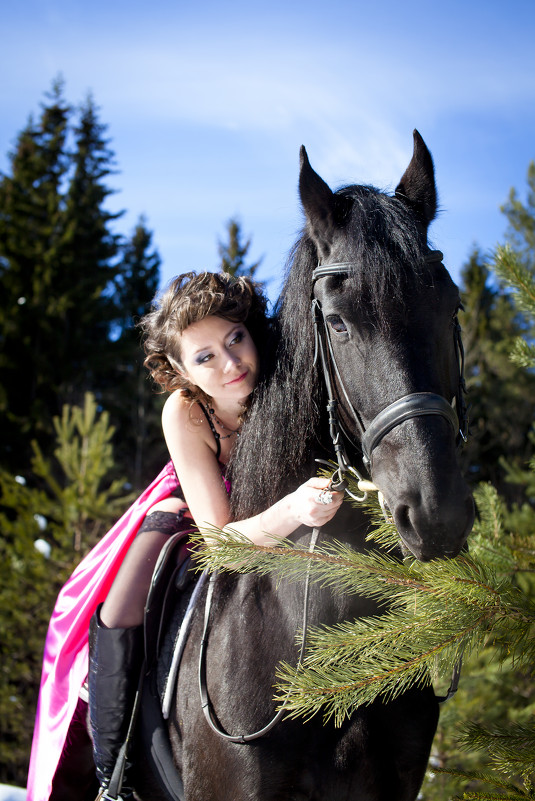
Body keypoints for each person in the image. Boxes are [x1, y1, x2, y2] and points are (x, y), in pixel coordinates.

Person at [27, 272, 343, 801]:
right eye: (205, 357)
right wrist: (293, 509)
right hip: (201, 519)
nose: (230, 364)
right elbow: (219, 541)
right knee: (120, 605)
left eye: (234, 339)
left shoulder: (283, 378)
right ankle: (115, 770)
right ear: (180, 370)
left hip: (277, 522)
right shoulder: (187, 410)